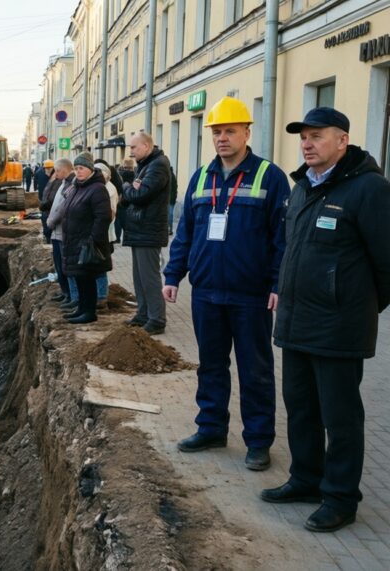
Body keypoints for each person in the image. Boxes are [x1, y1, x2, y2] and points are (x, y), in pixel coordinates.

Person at [260, 107, 390, 533]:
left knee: (340, 417)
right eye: (303, 137)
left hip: (338, 327)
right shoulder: (302, 188)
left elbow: (386, 263)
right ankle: (305, 479)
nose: (307, 144)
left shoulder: (368, 189)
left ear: (342, 141)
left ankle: (340, 498)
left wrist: (357, 308)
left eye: (317, 136)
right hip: (296, 322)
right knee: (300, 409)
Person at [162, 96, 291, 472]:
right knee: (211, 366)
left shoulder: (270, 177)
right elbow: (185, 231)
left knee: (255, 370)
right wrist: (173, 275)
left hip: (250, 296)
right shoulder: (201, 177)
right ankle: (211, 428)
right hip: (206, 294)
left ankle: (258, 441)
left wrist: (277, 283)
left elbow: (282, 238)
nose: (222, 138)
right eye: (217, 131)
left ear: (247, 133)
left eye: (230, 131)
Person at [121, 133, 172, 335]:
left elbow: (140, 195)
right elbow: (131, 197)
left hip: (148, 229)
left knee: (149, 277)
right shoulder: (145, 165)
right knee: (138, 277)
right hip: (139, 229)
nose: (131, 152)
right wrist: (131, 190)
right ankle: (143, 314)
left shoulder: (158, 165)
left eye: (134, 147)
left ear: (146, 145)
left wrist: (127, 187)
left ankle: (157, 319)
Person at [60, 154, 113, 324]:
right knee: (80, 277)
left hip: (87, 243)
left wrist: (92, 240)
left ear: (90, 169)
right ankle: (82, 309)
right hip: (75, 241)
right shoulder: (78, 187)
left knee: (87, 278)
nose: (78, 171)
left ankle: (89, 312)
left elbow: (103, 217)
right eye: (76, 168)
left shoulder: (97, 188)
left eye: (81, 168)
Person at [46, 159, 75, 305]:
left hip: (62, 232)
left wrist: (51, 222)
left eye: (57, 171)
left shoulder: (71, 185)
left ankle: (71, 295)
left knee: (65, 266)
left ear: (65, 170)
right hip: (56, 233)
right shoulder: (62, 183)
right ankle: (65, 293)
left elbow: (62, 209)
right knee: (59, 265)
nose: (55, 174)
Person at [94, 162, 119, 307]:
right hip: (100, 234)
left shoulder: (108, 189)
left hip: (105, 235)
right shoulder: (102, 187)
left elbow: (110, 214)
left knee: (101, 266)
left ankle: (102, 296)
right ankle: (98, 294)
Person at [38, 160, 59, 244]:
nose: (48, 170)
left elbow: (53, 194)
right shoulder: (40, 173)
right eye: (46, 168)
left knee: (48, 220)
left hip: (50, 204)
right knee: (44, 219)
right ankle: (47, 237)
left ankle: (49, 238)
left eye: (50, 168)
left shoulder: (56, 177)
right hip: (44, 200)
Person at [115, 158, 136, 243]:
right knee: (127, 222)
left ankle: (117, 237)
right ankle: (127, 238)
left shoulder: (119, 174)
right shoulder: (136, 175)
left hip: (120, 201)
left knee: (118, 221)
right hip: (130, 201)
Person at [168, 165, 179, 235]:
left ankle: (169, 229)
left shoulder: (168, 176)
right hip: (171, 199)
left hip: (169, 199)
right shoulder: (172, 176)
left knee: (169, 214)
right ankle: (169, 229)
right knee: (170, 215)